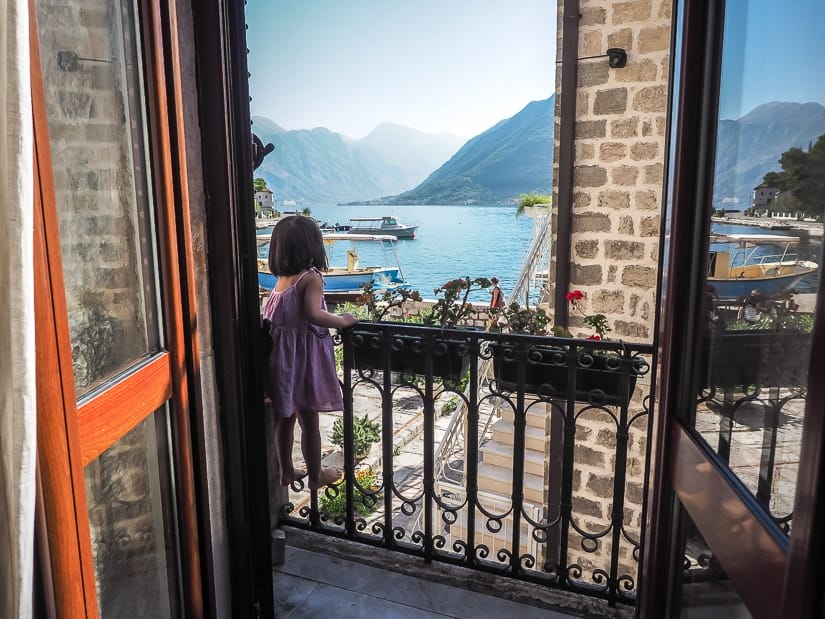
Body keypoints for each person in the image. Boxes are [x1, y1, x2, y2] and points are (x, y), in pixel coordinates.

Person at [263, 215, 358, 489]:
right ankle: (316, 476)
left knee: (285, 419)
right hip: (302, 362)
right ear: (313, 247)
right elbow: (313, 314)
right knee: (309, 421)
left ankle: (287, 471)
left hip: (282, 361)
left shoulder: (282, 281)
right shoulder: (311, 278)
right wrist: (342, 321)